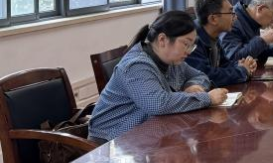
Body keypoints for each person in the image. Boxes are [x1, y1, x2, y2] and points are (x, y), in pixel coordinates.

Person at [88, 11, 228, 143]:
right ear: (162, 40)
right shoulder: (136, 65)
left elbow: (200, 76)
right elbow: (157, 104)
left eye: (191, 46)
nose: (188, 51)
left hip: (147, 134)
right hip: (110, 141)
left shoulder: (172, 61)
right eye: (186, 44)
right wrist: (207, 98)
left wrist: (191, 85)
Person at [188, 0, 256, 87]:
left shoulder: (214, 35)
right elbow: (206, 76)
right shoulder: (191, 39)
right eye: (231, 12)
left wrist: (240, 65)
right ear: (213, 19)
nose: (235, 17)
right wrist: (242, 71)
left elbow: (224, 64)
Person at [221, 0, 273, 65]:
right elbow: (232, 58)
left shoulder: (252, 20)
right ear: (260, 9)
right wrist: (262, 40)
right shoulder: (232, 21)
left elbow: (255, 51)